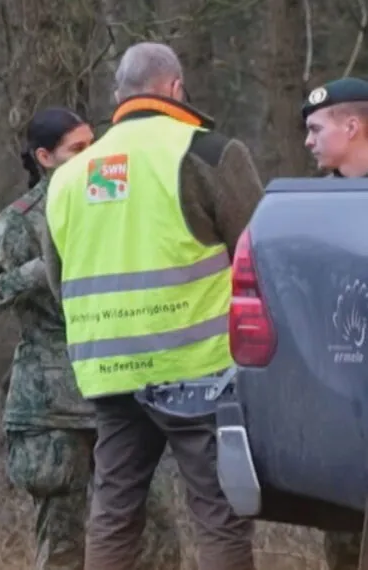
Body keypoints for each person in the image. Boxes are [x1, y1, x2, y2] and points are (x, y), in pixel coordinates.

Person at [41, 42, 266, 570]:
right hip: (199, 367)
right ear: (174, 88)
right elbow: (260, 255)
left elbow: (58, 281)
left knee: (114, 513)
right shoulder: (209, 153)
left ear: (118, 95)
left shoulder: (69, 176)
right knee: (220, 512)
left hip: (109, 370)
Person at [0, 107, 183, 570]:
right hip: (53, 407)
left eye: (94, 144)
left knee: (157, 539)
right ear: (45, 157)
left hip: (121, 391)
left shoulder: (115, 203)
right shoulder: (26, 219)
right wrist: (35, 274)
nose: (92, 155)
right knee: (63, 548)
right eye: (78, 149)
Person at [302, 75, 368, 570]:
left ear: (352, 126)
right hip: (339, 389)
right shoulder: (309, 209)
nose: (308, 141)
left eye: (316, 129)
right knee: (343, 534)